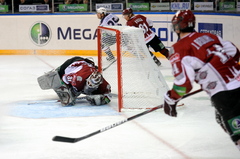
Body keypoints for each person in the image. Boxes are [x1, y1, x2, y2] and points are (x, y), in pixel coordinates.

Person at [163, 10, 240, 150]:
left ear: (177, 26)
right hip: (236, 83)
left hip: (226, 94)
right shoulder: (210, 36)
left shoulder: (179, 48)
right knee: (221, 118)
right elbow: (234, 52)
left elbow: (184, 85)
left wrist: (170, 99)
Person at [37, 56, 112, 106]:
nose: (90, 86)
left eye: (93, 85)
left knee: (76, 90)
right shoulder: (78, 78)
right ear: (87, 79)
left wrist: (102, 100)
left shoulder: (104, 85)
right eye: (89, 83)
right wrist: (67, 91)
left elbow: (108, 97)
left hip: (86, 67)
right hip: (72, 63)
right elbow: (64, 78)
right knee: (52, 79)